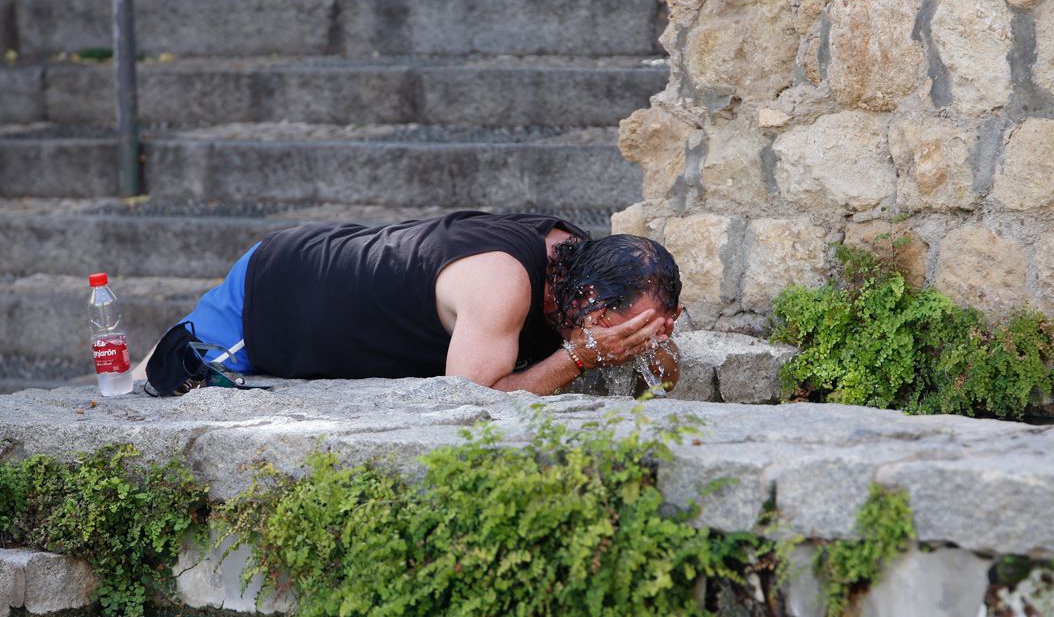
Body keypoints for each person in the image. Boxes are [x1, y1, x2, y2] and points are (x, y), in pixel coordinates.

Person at [142, 210, 682, 397]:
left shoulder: (574, 260)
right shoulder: (504, 283)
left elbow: (659, 382)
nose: (624, 336)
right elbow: (469, 398)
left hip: (330, 256)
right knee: (151, 379)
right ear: (588, 297)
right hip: (284, 291)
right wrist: (581, 357)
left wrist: (658, 345)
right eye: (624, 325)